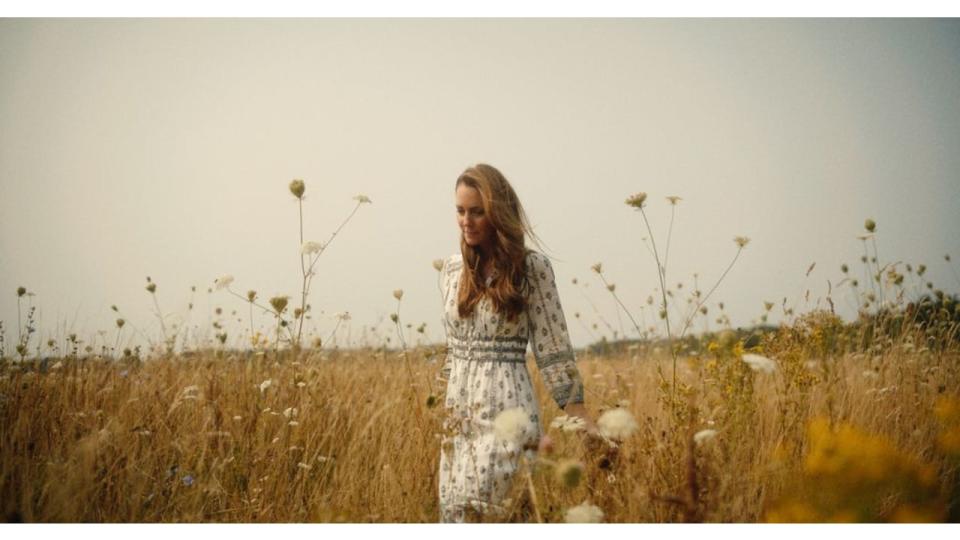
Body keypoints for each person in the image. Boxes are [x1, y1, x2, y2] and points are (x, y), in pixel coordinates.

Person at [436, 163, 599, 523]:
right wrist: (446, 415)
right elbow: (452, 351)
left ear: (498, 214)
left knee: (500, 513)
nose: (467, 221)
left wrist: (584, 421)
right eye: (460, 211)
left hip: (508, 411)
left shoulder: (532, 269)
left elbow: (553, 349)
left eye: (478, 212)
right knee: (457, 513)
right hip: (459, 418)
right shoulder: (450, 272)